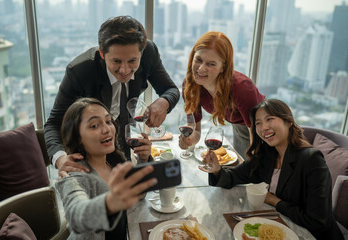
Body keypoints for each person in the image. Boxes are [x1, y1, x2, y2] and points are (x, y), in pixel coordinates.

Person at [44, 16, 180, 177]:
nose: (124, 70)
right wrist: (60, 159)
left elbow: (171, 90)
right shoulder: (80, 71)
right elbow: (53, 123)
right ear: (102, 53)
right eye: (116, 61)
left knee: (133, 189)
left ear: (141, 54)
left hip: (123, 134)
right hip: (89, 148)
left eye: (132, 61)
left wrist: (164, 102)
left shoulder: (149, 53)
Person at [202, 99, 344, 240]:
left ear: (287, 121)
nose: (264, 127)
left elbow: (318, 221)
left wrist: (276, 202)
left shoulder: (311, 159)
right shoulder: (267, 154)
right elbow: (233, 177)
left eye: (269, 119)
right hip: (281, 227)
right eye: (258, 123)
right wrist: (216, 169)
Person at [55, 97, 156, 239]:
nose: (107, 129)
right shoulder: (74, 174)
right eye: (94, 125)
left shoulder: (114, 160)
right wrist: (109, 203)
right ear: (78, 137)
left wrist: (143, 159)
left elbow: (139, 195)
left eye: (108, 121)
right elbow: (76, 216)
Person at [179, 31, 265, 158]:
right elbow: (196, 130)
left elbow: (257, 137)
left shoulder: (242, 87)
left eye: (211, 64)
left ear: (223, 67)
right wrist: (189, 140)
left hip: (263, 128)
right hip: (239, 126)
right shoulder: (190, 86)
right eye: (198, 60)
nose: (201, 69)